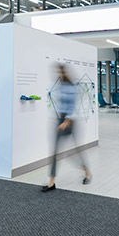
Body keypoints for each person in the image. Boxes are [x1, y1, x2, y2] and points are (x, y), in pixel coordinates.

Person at [42, 64, 92, 192]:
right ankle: (51, 182)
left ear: (63, 72)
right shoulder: (61, 86)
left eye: (57, 71)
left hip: (69, 121)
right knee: (55, 152)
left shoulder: (71, 87)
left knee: (73, 152)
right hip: (60, 118)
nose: (55, 74)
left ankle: (86, 171)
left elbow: (73, 105)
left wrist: (66, 121)